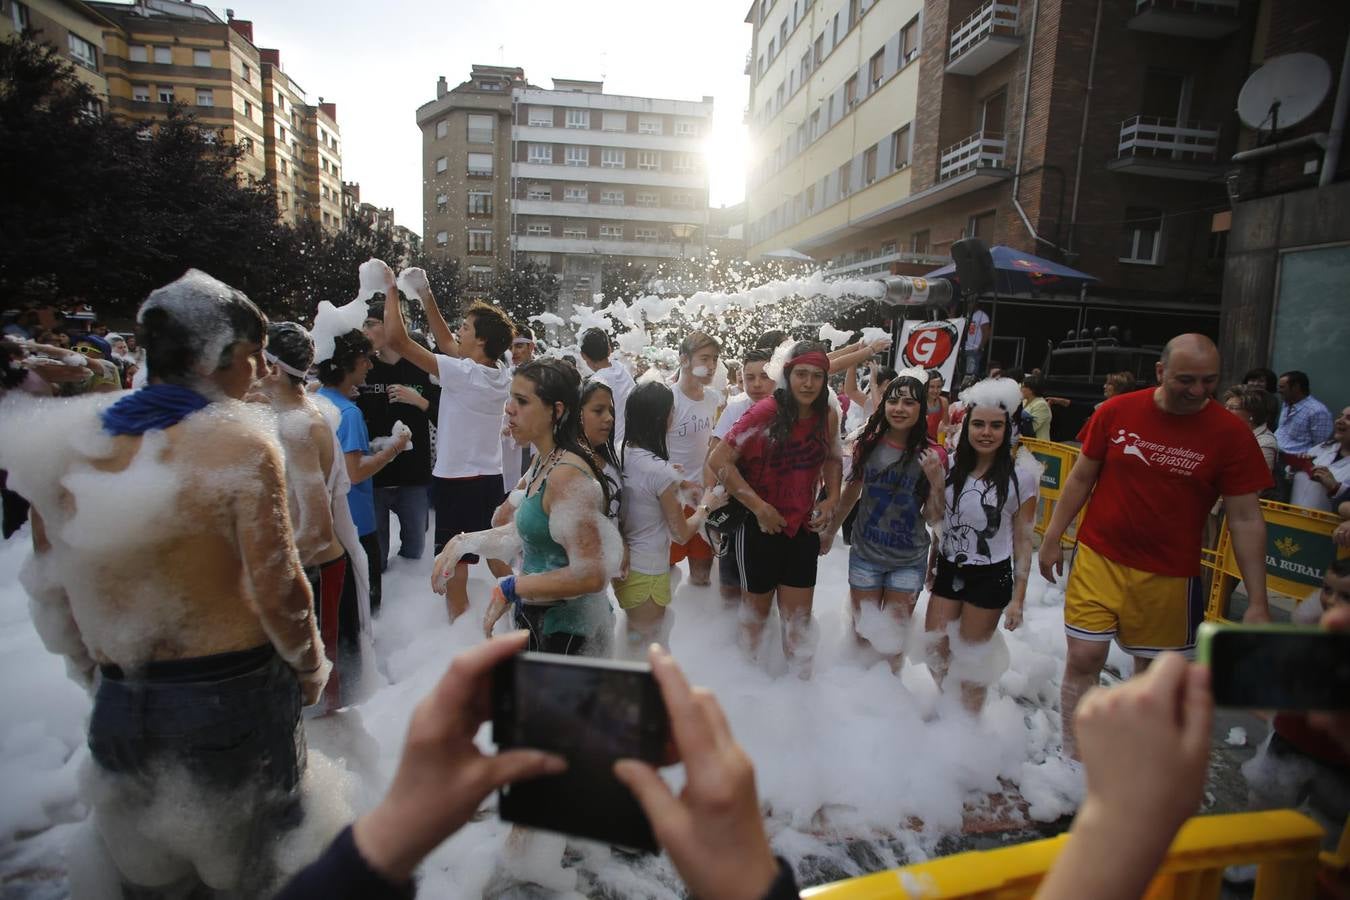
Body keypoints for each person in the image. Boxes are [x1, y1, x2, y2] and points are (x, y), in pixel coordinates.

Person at [0, 270, 329, 895]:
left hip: (123, 696)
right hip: (232, 694)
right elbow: (279, 586)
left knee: (146, 882)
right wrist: (310, 666)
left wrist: (95, 670)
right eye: (254, 357)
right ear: (225, 357)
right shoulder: (238, 445)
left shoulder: (68, 445)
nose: (260, 373)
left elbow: (52, 581)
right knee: (258, 872)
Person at [1040, 334, 1275, 759]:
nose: (1198, 391)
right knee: (1085, 655)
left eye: (1210, 381)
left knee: (1152, 673)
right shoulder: (1116, 411)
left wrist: (1257, 600)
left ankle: (1131, 753)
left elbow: (1245, 517)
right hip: (1100, 555)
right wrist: (1054, 538)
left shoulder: (1230, 435)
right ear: (1161, 372)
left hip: (1171, 574)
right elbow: (1080, 477)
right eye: (1187, 379)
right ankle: (1073, 756)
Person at [434, 359, 618, 656]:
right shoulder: (544, 460)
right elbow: (531, 531)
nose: (509, 408)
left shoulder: (567, 474)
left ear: (556, 411)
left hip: (572, 638)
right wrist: (464, 541)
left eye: (521, 401)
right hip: (543, 626)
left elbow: (591, 575)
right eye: (510, 399)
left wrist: (512, 588)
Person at [379, 264, 517, 621]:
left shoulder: (465, 373)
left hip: (457, 481)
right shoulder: (498, 374)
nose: (459, 331)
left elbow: (396, 340)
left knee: (455, 566)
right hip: (490, 479)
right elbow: (449, 347)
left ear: (482, 341)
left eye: (467, 328)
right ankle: (525, 611)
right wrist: (426, 296)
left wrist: (390, 289)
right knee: (495, 553)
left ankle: (457, 632)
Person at [707, 341, 843, 677]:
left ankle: (799, 702)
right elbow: (719, 460)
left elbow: (833, 457)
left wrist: (831, 497)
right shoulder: (765, 412)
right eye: (801, 374)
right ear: (787, 375)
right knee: (755, 621)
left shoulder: (826, 414)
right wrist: (758, 507)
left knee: (799, 626)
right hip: (759, 530)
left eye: (816, 376)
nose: (808, 383)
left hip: (802, 529)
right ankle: (750, 693)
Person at [261, 322, 372, 712]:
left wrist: (268, 572)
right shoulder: (289, 412)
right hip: (302, 567)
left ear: (272, 368)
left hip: (317, 569)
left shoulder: (301, 426)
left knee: (325, 684)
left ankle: (337, 750)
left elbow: (317, 527)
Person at [924, 378, 1039, 713]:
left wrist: (1018, 598)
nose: (985, 432)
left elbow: (1023, 541)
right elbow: (935, 521)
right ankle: (949, 708)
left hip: (991, 574)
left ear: (1008, 429)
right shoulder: (949, 466)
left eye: (995, 425)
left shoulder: (1022, 477)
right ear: (967, 425)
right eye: (978, 424)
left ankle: (968, 726)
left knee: (972, 660)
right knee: (934, 646)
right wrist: (934, 485)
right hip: (949, 568)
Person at [821, 372, 946, 673]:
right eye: (893, 401)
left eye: (908, 402)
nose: (899, 408)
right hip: (866, 553)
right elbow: (851, 493)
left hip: (908, 558)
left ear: (921, 409)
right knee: (861, 634)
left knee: (893, 641)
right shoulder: (869, 443)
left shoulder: (934, 454)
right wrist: (830, 532)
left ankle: (887, 704)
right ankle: (857, 702)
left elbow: (933, 517)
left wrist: (937, 482)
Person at [614, 382, 722, 654]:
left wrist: (673, 480)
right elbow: (681, 533)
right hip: (648, 573)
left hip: (622, 566)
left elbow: (638, 488)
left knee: (631, 643)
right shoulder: (660, 472)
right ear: (664, 418)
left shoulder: (620, 451)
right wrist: (707, 506)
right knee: (647, 651)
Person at [316, 329, 409, 619]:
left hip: (328, 522)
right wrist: (394, 448)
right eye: (366, 359)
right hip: (356, 523)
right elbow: (354, 472)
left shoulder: (317, 401)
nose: (370, 365)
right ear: (349, 363)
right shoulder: (349, 413)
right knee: (363, 609)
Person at [358, 299, 440, 571]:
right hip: (374, 477)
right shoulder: (364, 367)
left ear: (392, 327)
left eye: (371, 324)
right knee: (376, 558)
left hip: (413, 478)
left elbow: (444, 416)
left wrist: (420, 401)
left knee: (416, 553)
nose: (365, 330)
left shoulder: (421, 365)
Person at [706, 348, 776, 603]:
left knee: (767, 585)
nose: (756, 384)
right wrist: (709, 505)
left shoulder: (790, 410)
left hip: (777, 507)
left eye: (764, 376)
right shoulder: (736, 409)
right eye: (750, 377)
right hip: (738, 507)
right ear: (741, 378)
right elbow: (713, 456)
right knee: (730, 588)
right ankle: (730, 635)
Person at [666, 331, 724, 587]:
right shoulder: (668, 400)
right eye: (704, 358)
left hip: (704, 498)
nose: (711, 366)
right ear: (684, 360)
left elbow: (717, 447)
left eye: (715, 359)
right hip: (671, 499)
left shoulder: (714, 399)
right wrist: (676, 483)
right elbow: (650, 452)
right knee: (664, 579)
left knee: (702, 578)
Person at [579, 327, 636, 447]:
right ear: (609, 350)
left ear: (583, 355)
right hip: (630, 444)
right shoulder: (621, 369)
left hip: (610, 447)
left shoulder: (596, 383)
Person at [1288, 405, 1349, 512]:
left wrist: (1336, 487)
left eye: (1349, 418)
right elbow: (1289, 478)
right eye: (1340, 416)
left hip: (1326, 526)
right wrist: (1295, 468)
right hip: (1294, 518)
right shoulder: (1322, 448)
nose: (1340, 421)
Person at [1276, 370, 1333, 478]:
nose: (1279, 391)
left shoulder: (1317, 411)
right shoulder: (1287, 403)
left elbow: (1321, 445)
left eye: (1282, 387)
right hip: (1277, 456)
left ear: (1296, 387)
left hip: (1294, 464)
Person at [579, 377, 623, 518]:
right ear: (577, 414)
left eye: (611, 411)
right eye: (598, 411)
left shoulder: (606, 455)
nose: (609, 418)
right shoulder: (567, 465)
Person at [1221, 385, 1279, 479]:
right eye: (1226, 406)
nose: (1225, 411)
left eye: (1233, 407)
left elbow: (1259, 483)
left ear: (1252, 413)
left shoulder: (1265, 443)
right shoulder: (1230, 432)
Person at [1243, 366, 1280, 430]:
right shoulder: (1240, 396)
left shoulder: (1271, 400)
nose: (1256, 384)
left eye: (1261, 381)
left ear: (1269, 384)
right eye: (1252, 380)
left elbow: (1268, 422)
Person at [1020, 373, 1052, 440]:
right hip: (1024, 445)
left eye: (1023, 387)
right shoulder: (1024, 401)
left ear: (1032, 390)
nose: (1020, 389)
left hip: (1038, 447)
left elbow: (1030, 429)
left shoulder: (1041, 405)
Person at [964, 304, 992, 378]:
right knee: (965, 373)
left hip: (974, 349)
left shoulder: (982, 315)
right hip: (964, 348)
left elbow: (986, 332)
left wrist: (980, 347)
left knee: (971, 374)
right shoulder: (966, 314)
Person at [925, 368, 950, 443]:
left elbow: (944, 426)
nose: (935, 391)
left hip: (938, 442)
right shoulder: (920, 403)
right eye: (932, 387)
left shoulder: (944, 402)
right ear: (926, 387)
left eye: (939, 387)